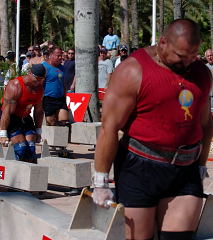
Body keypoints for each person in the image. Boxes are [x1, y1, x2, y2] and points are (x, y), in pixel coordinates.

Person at [92, 19, 213, 240]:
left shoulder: (202, 73)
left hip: (185, 167)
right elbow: (109, 128)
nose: (187, 62)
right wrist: (100, 180)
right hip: (139, 167)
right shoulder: (132, 71)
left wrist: (202, 164)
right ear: (163, 42)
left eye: (193, 55)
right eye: (180, 55)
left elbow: (205, 123)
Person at [0, 64, 46, 163]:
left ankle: (27, 174)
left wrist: (38, 131)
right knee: (21, 148)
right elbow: (6, 111)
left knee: (31, 148)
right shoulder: (15, 85)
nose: (39, 82)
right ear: (30, 73)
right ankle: (11, 172)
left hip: (25, 117)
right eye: (37, 79)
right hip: (11, 117)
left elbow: (38, 111)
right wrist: (3, 133)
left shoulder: (39, 89)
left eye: (42, 79)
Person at [42, 46, 69, 126]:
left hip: (60, 99)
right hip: (48, 99)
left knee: (64, 120)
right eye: (58, 56)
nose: (60, 58)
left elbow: (63, 83)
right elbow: (39, 85)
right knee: (51, 123)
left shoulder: (62, 68)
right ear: (51, 55)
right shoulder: (44, 67)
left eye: (61, 55)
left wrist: (65, 96)